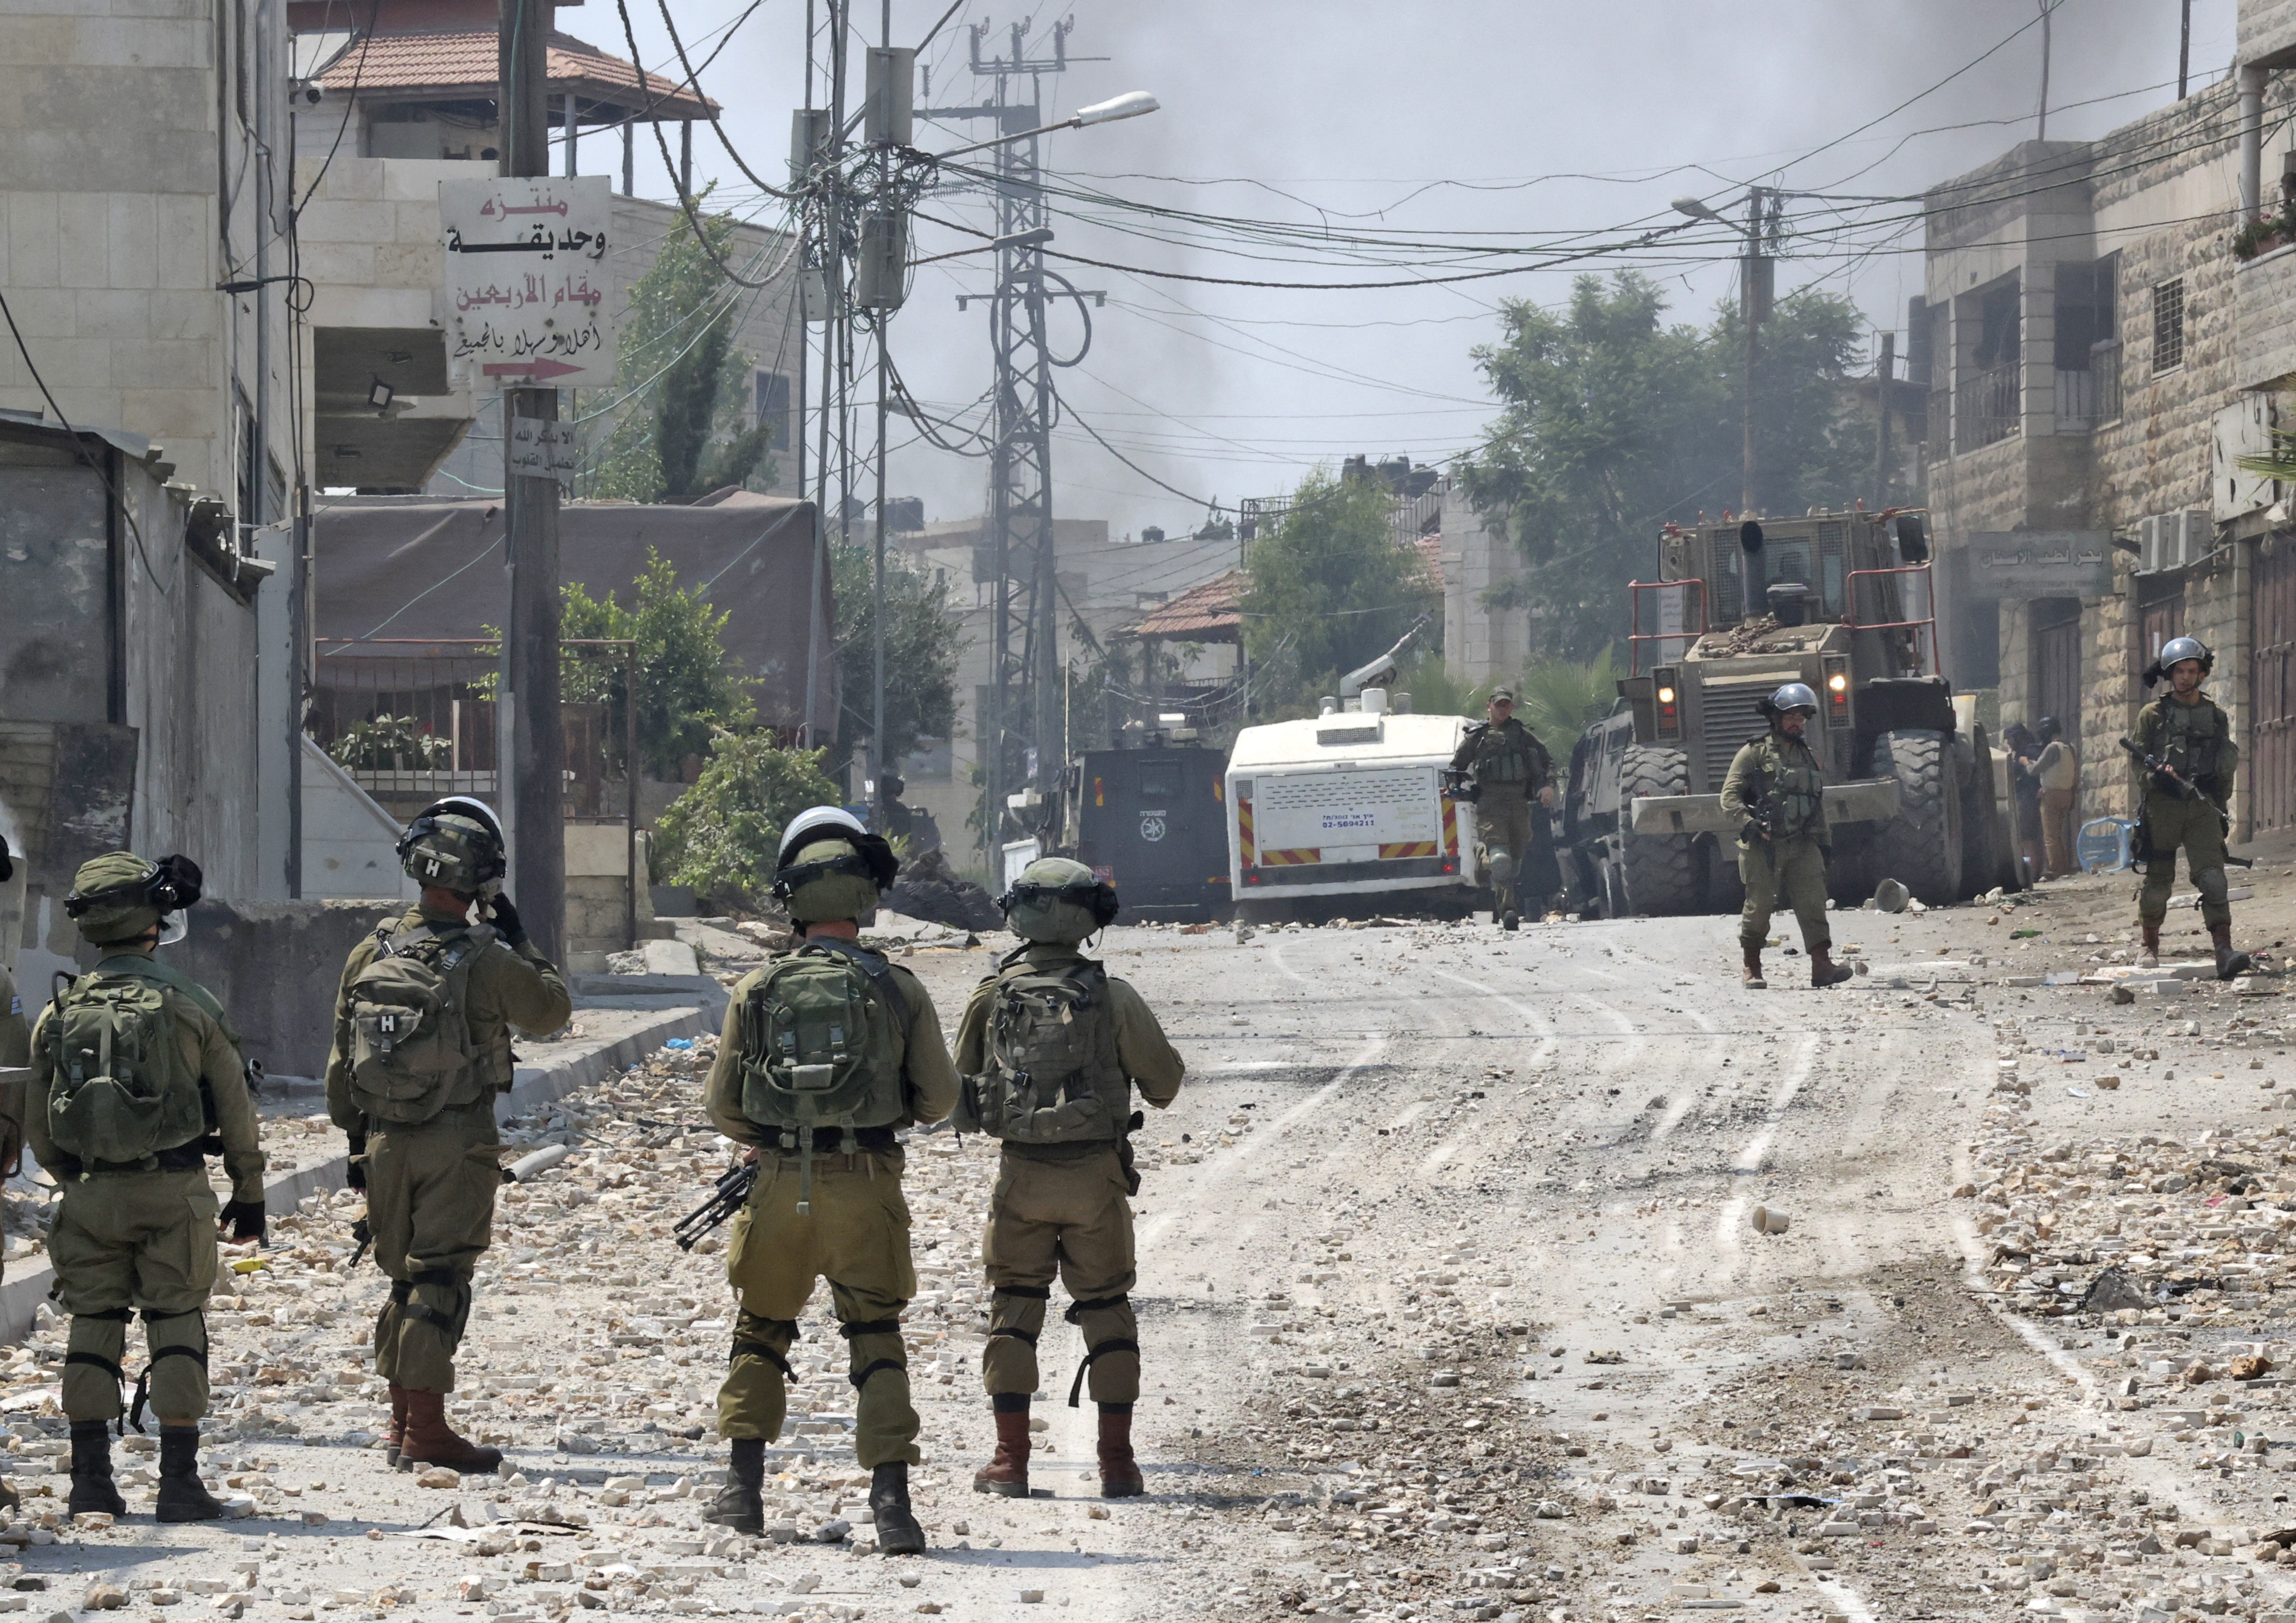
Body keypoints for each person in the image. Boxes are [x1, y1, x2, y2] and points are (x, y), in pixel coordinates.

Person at [699, 807, 959, 1555]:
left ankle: (741, 1492)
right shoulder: (898, 986)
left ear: (793, 901)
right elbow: (940, 1099)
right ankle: (893, 1508)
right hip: (867, 1183)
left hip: (779, 1183)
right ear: (864, 900)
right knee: (875, 1335)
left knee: (761, 1330)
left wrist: (775, 1140)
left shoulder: (756, 986)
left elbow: (722, 1106)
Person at [325, 797, 570, 1473]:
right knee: (439, 1277)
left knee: (401, 1278)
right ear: (481, 880)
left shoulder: (369, 950)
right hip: (457, 1138)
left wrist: (356, 1148)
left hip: (382, 1141)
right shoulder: (488, 957)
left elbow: (339, 1062)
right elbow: (553, 1011)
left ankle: (401, 1423)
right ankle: (428, 1433)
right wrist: (520, 935)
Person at [26, 852, 264, 1522]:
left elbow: (37, 1117)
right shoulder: (189, 1003)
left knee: (93, 1323)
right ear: (153, 925)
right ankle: (180, 1484)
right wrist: (250, 1191)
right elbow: (237, 1108)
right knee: (177, 1321)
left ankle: (91, 1483)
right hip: (175, 1190)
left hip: (91, 1193)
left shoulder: (61, 1010)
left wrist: (74, 1177)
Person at [953, 857, 1185, 1501]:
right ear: (1088, 919)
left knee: (1014, 1310)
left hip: (1021, 1179)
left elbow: (956, 1094)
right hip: (1096, 1180)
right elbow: (1164, 1087)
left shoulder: (991, 994)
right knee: (1107, 1309)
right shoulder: (1114, 996)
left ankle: (1011, 1461)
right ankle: (1117, 1463)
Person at [1719, 684, 1853, 990]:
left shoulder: (1807, 757)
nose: (1797, 723)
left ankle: (1822, 966)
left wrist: (1825, 842)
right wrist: (1749, 823)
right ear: (1776, 718)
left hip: (1803, 841)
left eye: (1802, 718)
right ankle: (1751, 967)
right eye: (1791, 717)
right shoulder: (1753, 752)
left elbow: (1815, 802)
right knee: (1760, 905)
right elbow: (1729, 797)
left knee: (1813, 902)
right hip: (1764, 843)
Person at [2131, 638, 2249, 977]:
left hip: (2203, 806)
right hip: (2163, 807)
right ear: (2170, 674)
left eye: (2192, 671)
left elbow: (2224, 765)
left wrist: (2221, 809)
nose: (2185, 677)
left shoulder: (2215, 716)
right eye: (2180, 671)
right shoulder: (2151, 715)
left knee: (2214, 880)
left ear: (2202, 673)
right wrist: (2157, 778)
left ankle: (2224, 951)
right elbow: (2137, 764)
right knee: (2157, 886)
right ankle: (2149, 945)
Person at [1448, 686, 1558, 930]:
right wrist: (1454, 790)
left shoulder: (1522, 735)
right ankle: (1509, 911)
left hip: (1519, 804)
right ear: (1489, 706)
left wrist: (1548, 787)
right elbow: (1456, 767)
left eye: (1507, 704)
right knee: (1501, 860)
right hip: (1490, 803)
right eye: (1499, 704)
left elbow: (1547, 761)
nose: (1503, 708)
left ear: (1512, 707)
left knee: (1515, 864)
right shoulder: (1477, 737)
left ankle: (1481, 855)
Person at [2035, 717, 2079, 878]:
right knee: (2059, 834)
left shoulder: (2052, 748)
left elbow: (2035, 769)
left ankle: (2055, 870)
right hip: (2067, 794)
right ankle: (2064, 868)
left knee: (2051, 836)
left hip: (2052, 795)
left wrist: (2026, 762)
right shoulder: (2070, 748)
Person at [2003, 723, 2046, 886]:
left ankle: (2033, 873)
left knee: (2027, 837)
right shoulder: (2021, 753)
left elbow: (2037, 769)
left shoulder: (2030, 751)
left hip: (2029, 798)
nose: (2009, 743)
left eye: (2010, 739)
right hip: (2024, 797)